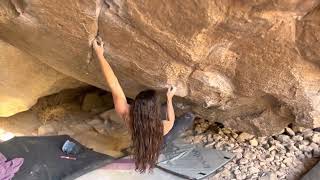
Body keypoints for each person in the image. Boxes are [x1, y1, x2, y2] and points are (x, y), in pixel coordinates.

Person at [92, 38, 195, 173]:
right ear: (154, 111)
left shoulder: (127, 115)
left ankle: (147, 158)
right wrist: (169, 98)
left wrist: (100, 55)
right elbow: (171, 119)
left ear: (136, 105)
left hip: (147, 139)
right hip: (160, 141)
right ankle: (153, 156)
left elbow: (114, 84)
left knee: (154, 145)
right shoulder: (162, 127)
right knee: (189, 116)